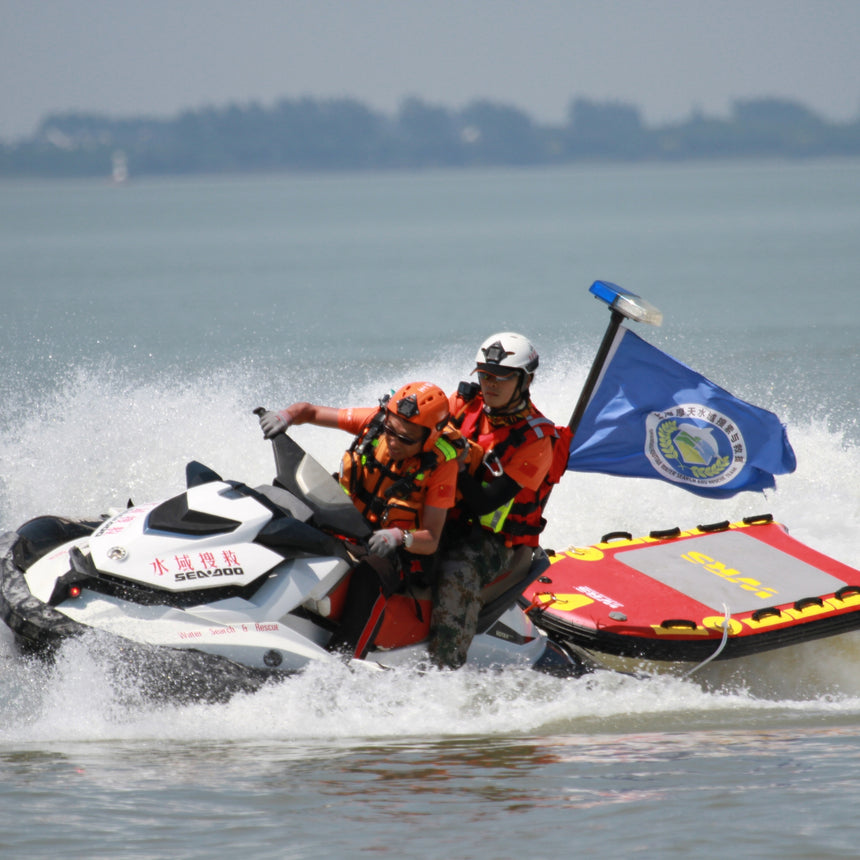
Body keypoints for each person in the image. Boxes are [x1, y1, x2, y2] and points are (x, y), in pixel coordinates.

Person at [259, 381, 461, 659]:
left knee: (370, 574)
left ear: (430, 437)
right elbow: (310, 411)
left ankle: (345, 659)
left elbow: (431, 540)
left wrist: (399, 537)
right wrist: (287, 416)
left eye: (407, 438)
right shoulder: (376, 422)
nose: (393, 441)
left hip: (395, 550)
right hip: (346, 521)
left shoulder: (442, 468)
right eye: (391, 430)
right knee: (281, 511)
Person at [428, 332, 571, 669]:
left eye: (501, 378)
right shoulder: (464, 403)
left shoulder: (536, 440)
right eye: (485, 375)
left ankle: (442, 673)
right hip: (443, 512)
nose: (490, 384)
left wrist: (458, 461)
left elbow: (483, 504)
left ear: (526, 380)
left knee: (456, 574)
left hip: (493, 541)